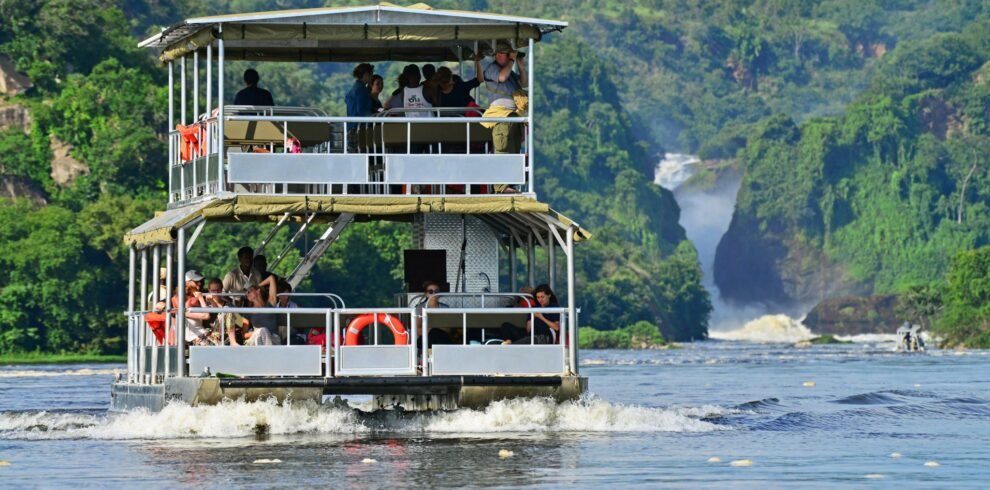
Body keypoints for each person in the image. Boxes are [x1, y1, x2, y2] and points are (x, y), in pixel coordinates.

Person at [228, 275, 282, 346]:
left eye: (249, 291)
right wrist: (256, 333)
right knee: (263, 331)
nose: (247, 294)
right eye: (246, 293)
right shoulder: (249, 311)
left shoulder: (270, 303)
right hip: (256, 339)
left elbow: (271, 278)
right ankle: (268, 352)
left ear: (258, 291)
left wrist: (257, 286)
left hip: (273, 340)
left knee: (263, 331)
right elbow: (244, 335)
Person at [172, 269, 218, 346]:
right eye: (196, 281)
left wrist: (211, 300)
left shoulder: (201, 294)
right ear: (187, 282)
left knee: (219, 344)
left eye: (201, 281)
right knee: (214, 346)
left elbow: (215, 312)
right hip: (191, 337)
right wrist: (201, 299)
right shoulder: (178, 297)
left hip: (199, 333)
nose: (200, 283)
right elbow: (206, 315)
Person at [415, 280, 452, 346]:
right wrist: (433, 328)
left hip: (442, 338)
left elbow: (448, 329)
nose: (434, 294)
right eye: (430, 292)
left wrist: (431, 328)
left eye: (436, 291)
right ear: (426, 294)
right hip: (426, 338)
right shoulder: (419, 308)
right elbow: (417, 331)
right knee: (433, 333)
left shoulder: (445, 308)